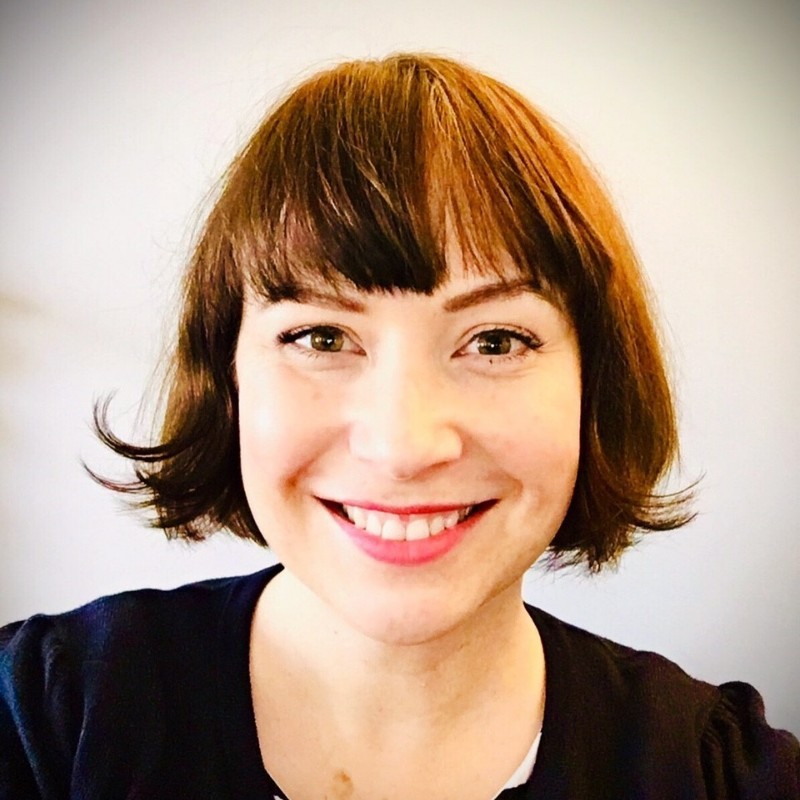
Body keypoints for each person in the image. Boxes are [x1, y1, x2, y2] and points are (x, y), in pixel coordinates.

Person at [1, 52, 797, 799]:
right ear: (228, 375)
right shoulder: (46, 721)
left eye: (495, 341)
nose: (404, 447)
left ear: (597, 385)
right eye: (322, 338)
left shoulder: (722, 775)